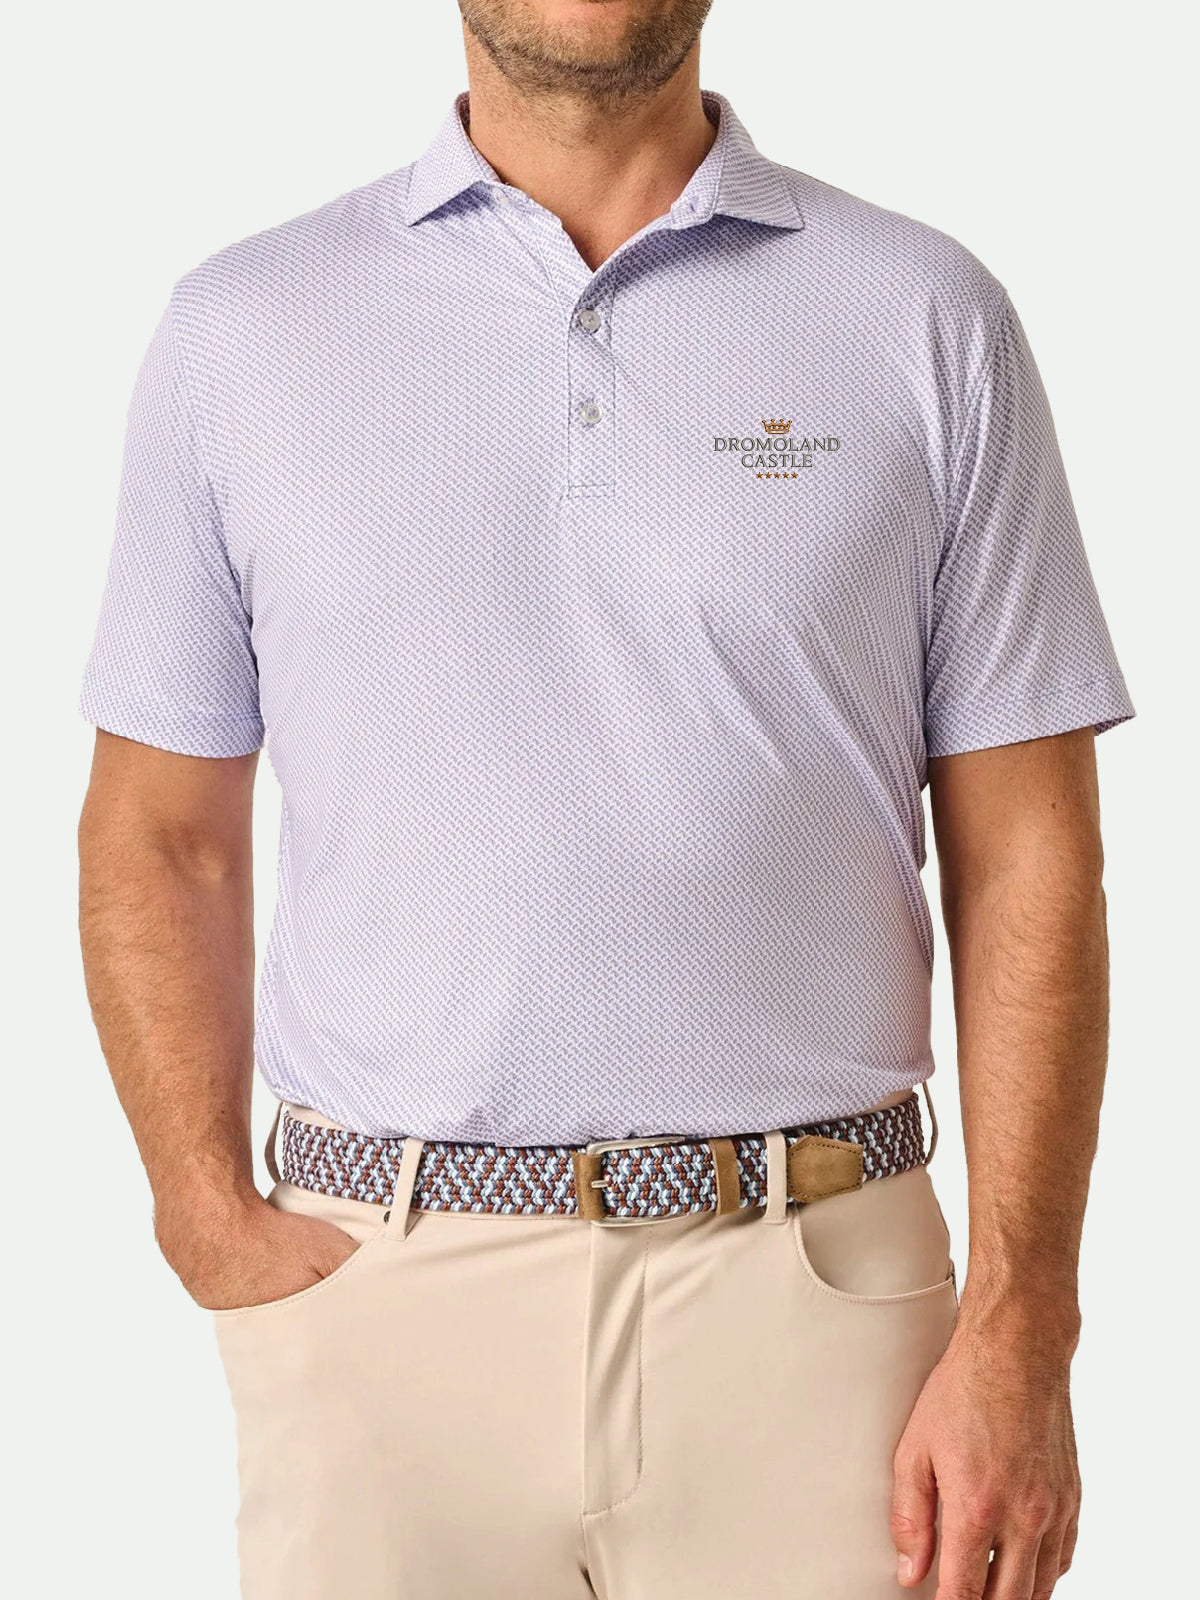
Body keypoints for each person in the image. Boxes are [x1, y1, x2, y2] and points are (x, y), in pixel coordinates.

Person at [76, 3, 1135, 1597]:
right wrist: (202, 1210)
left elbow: (1030, 852)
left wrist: (1023, 1324)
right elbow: (162, 835)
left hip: (824, 1319)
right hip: (378, 1306)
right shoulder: (244, 331)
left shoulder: (924, 314)